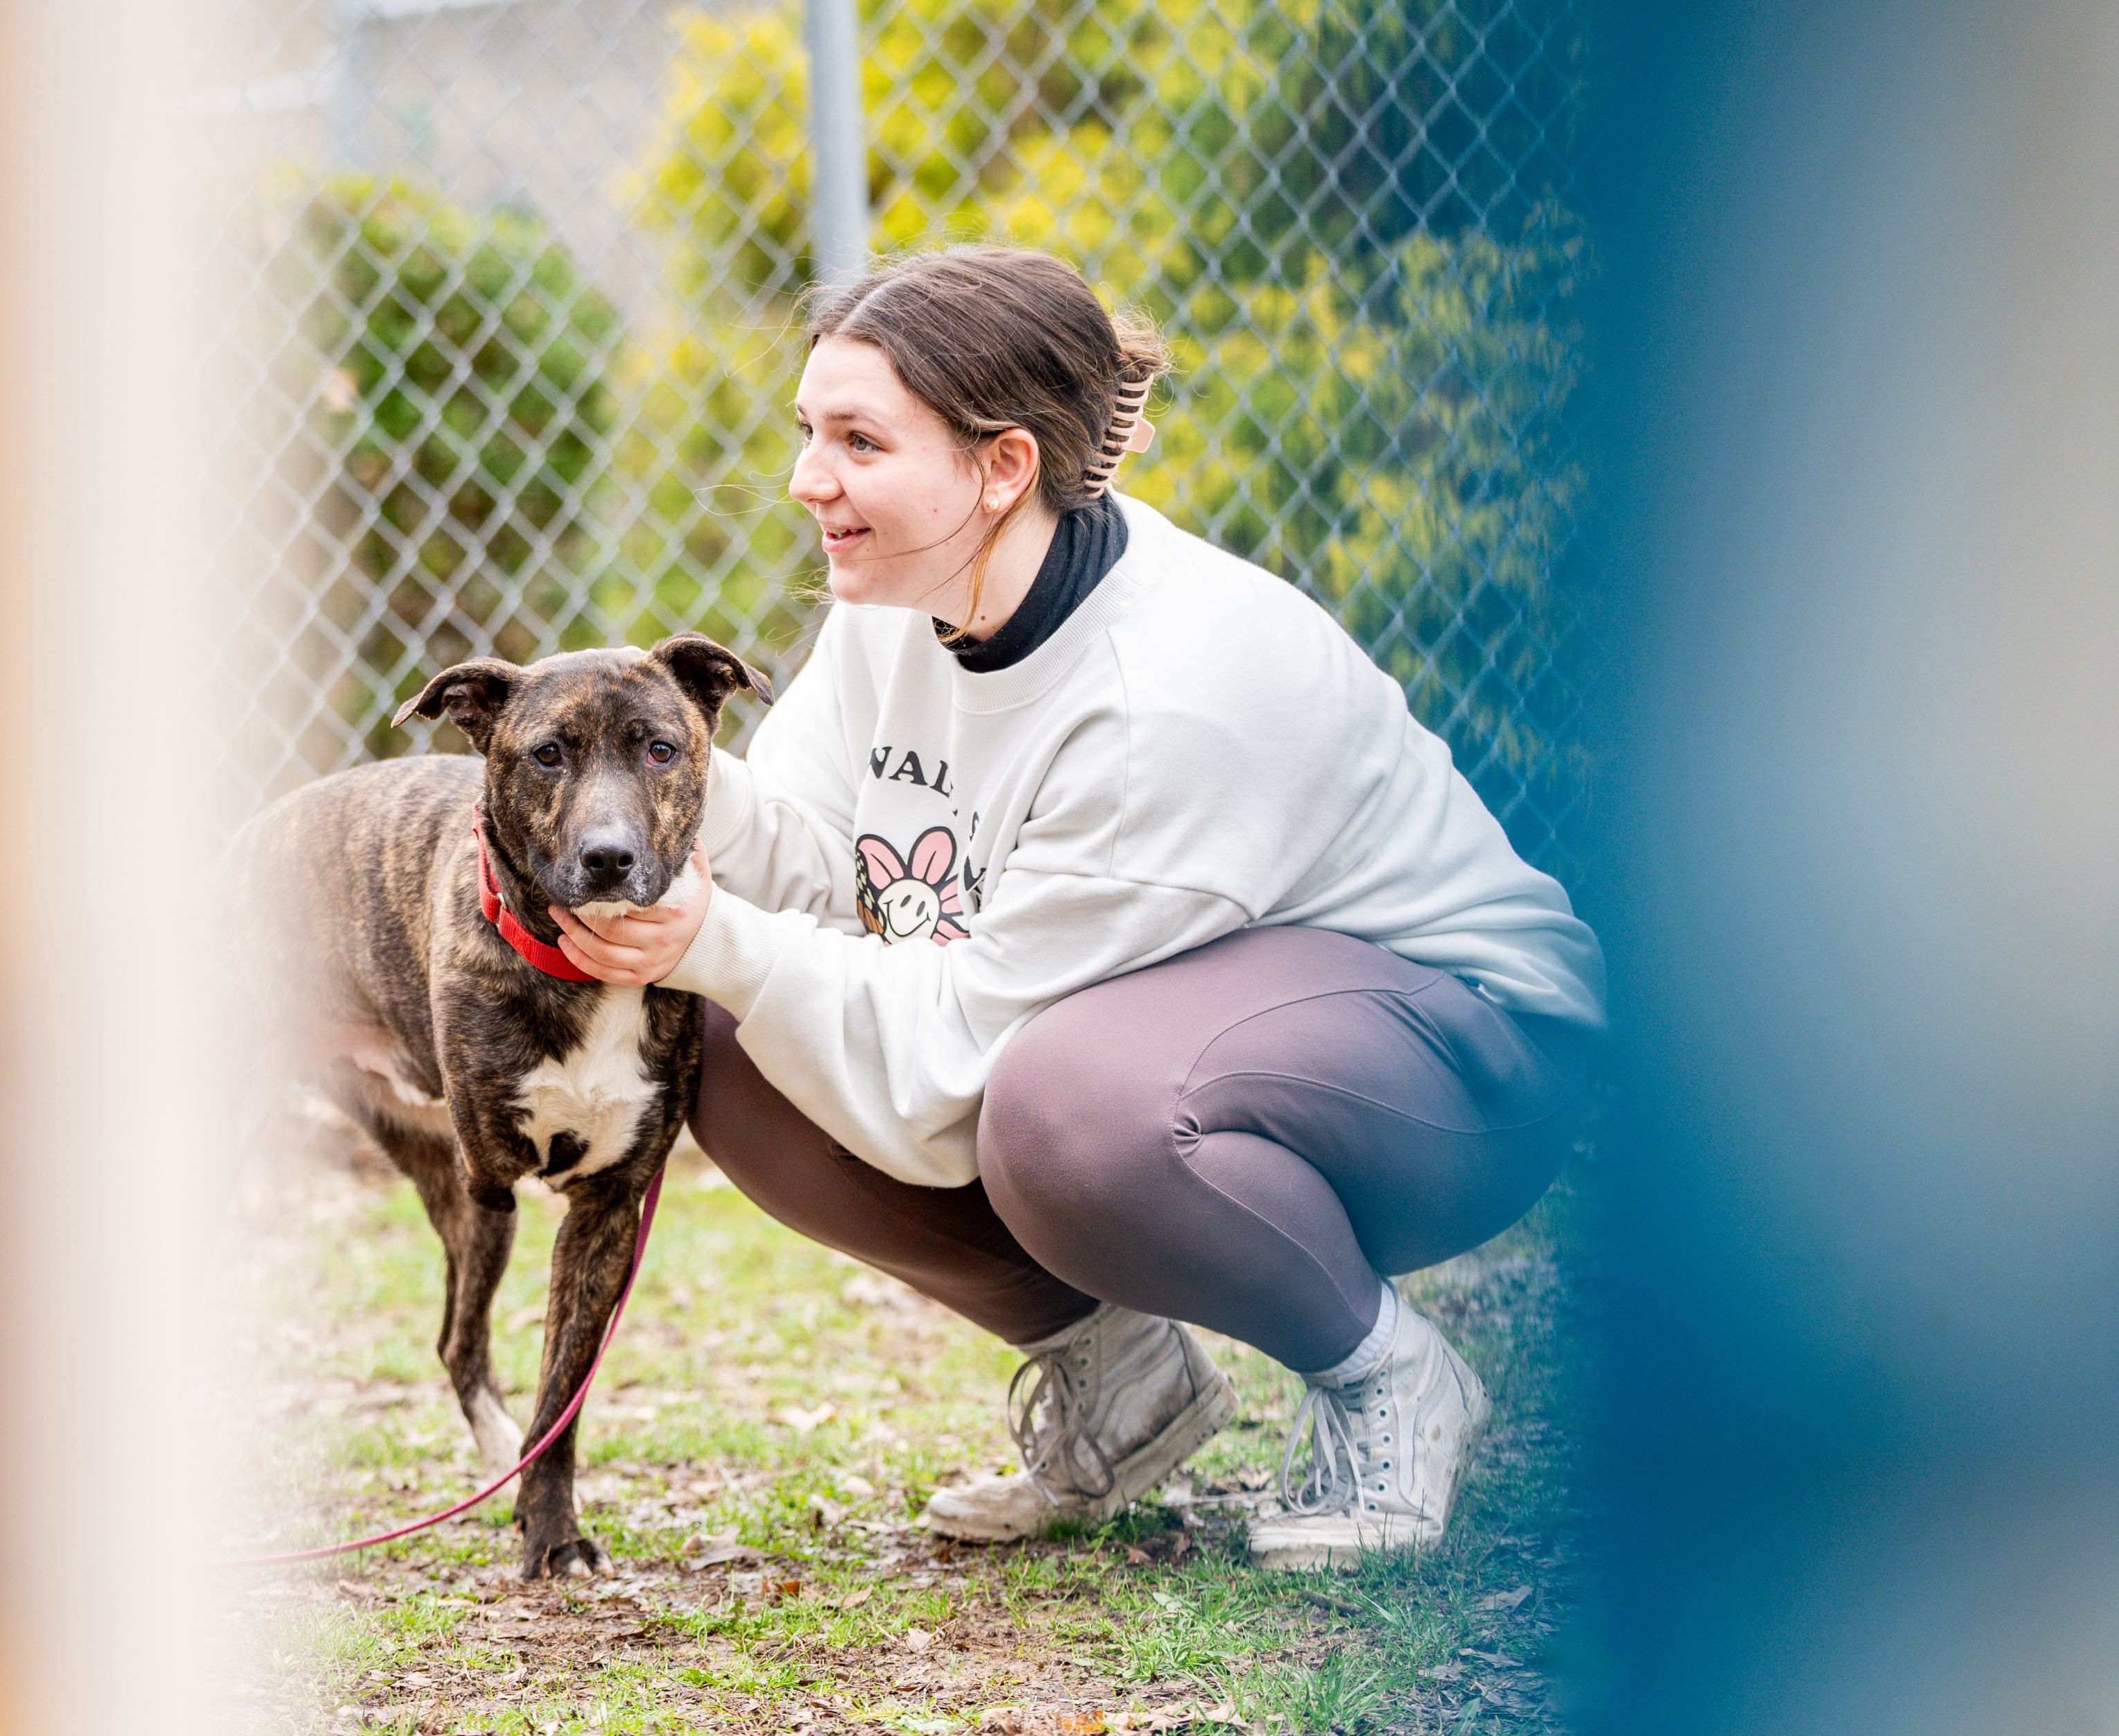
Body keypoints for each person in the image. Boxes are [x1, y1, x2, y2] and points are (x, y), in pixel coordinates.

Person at [548, 247, 1604, 1570]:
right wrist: (653, 781)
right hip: (1201, 1021)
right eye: (809, 433)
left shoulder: (1163, 694)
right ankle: (1123, 1384)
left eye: (861, 440)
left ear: (1003, 468)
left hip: (1468, 1068)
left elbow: (953, 1055)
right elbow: (827, 861)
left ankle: (1389, 1376)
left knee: (1069, 1111)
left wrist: (717, 939)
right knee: (726, 1035)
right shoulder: (908, 599)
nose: (810, 479)